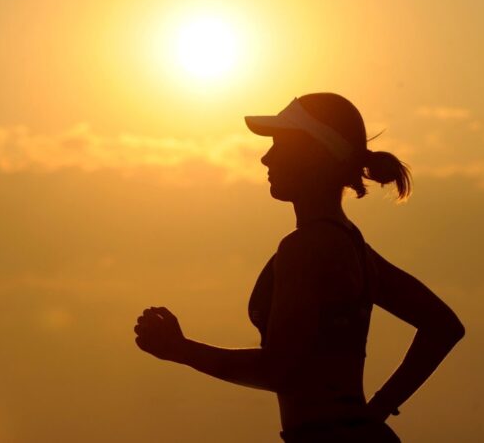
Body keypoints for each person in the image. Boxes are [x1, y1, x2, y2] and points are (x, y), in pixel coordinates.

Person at [133, 93, 465, 442]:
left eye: (280, 145)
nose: (265, 157)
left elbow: (282, 370)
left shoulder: (305, 248)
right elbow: (442, 325)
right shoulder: (352, 246)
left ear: (316, 155)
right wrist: (377, 409)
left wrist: (181, 350)